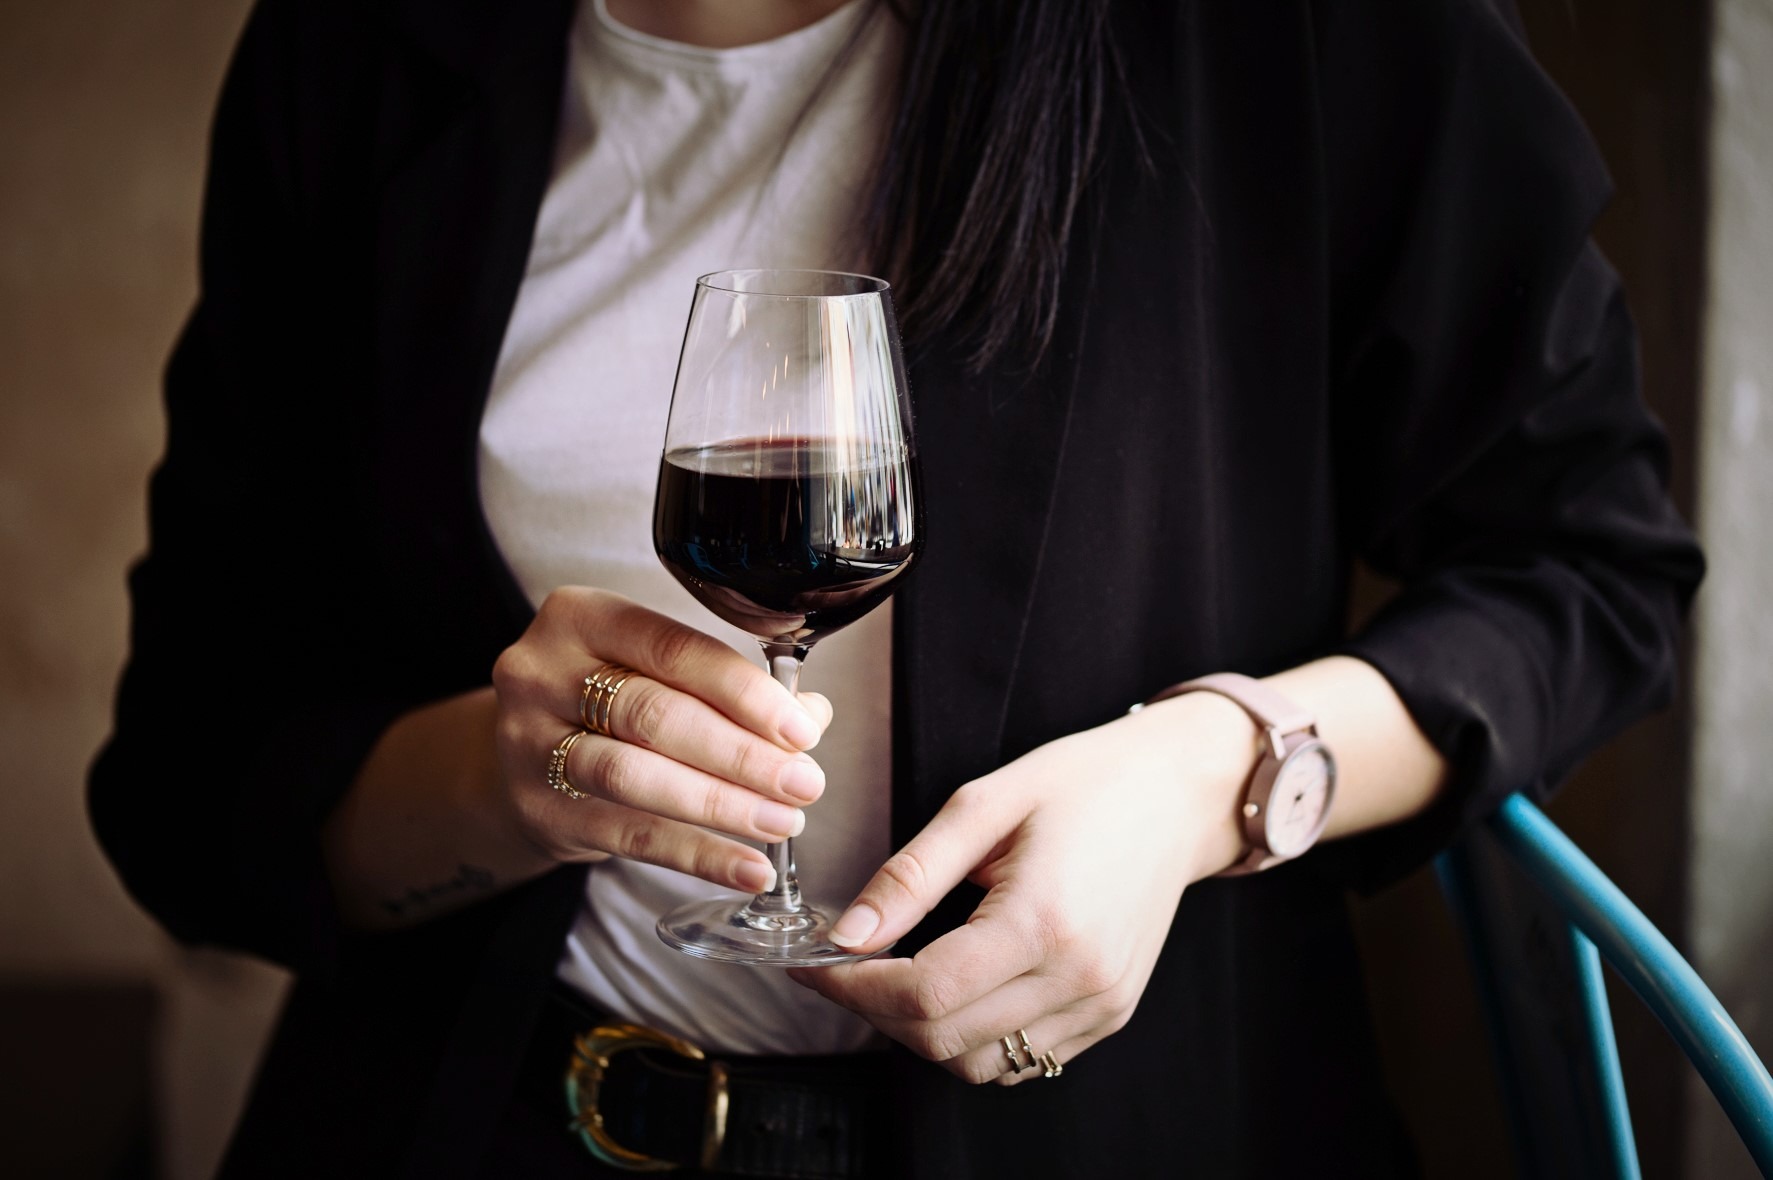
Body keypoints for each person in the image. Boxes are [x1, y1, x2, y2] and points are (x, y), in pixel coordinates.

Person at [90, 0, 1704, 1176]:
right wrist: (498, 779)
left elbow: (1588, 568)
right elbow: (187, 784)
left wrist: (1209, 777)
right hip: (478, 1120)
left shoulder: (1277, 40)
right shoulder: (350, 52)